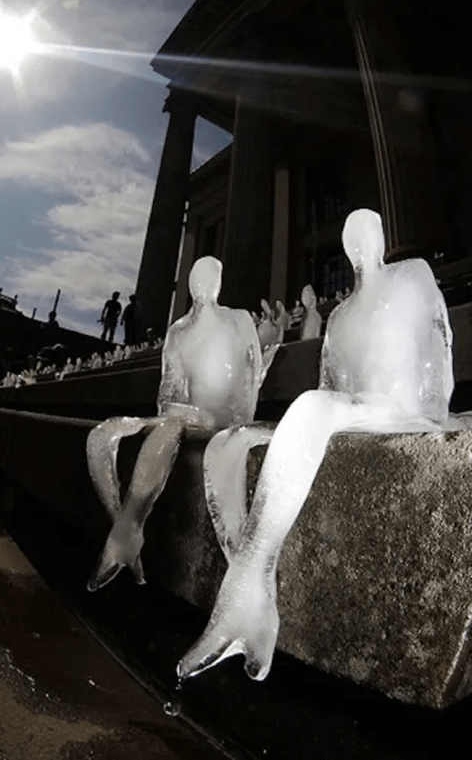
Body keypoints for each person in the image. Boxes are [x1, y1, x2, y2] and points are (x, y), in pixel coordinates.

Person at [178, 209, 458, 685]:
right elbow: (331, 383)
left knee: (310, 408)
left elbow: (440, 343)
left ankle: (247, 587)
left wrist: (432, 414)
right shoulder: (342, 316)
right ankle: (249, 590)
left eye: (366, 233)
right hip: (359, 412)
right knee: (229, 442)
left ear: (381, 238)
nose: (359, 243)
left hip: (403, 410)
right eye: (351, 238)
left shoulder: (413, 277)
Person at [87, 257, 263, 591]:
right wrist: (185, 413)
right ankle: (125, 530)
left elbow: (250, 380)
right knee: (102, 435)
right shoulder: (178, 331)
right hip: (189, 416)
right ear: (191, 285)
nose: (205, 284)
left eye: (211, 277)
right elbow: (167, 393)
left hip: (224, 419)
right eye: (198, 278)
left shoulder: (239, 321)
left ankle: (127, 531)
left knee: (169, 431)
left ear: (219, 283)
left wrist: (237, 421)